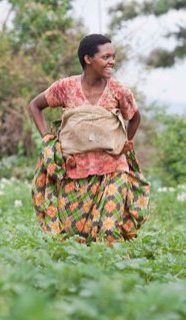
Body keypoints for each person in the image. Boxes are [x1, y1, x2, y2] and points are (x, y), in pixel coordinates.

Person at [29, 34, 149, 243]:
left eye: (113, 57)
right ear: (88, 59)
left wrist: (124, 143)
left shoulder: (119, 90)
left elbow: (135, 118)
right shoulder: (66, 87)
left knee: (109, 229)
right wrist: (47, 138)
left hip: (114, 169)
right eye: (106, 57)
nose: (112, 61)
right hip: (75, 170)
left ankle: (114, 272)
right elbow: (35, 106)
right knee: (73, 235)